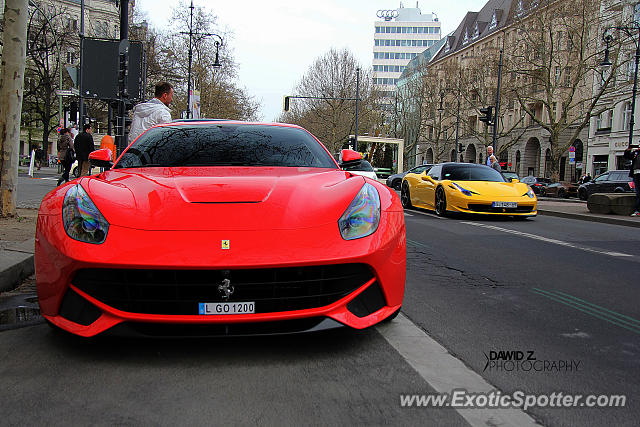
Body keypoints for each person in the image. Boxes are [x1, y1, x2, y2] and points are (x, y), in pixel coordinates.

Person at [623, 145, 640, 216]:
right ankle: (638, 210)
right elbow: (627, 157)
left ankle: (638, 210)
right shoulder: (636, 152)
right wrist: (628, 150)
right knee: (638, 193)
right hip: (636, 174)